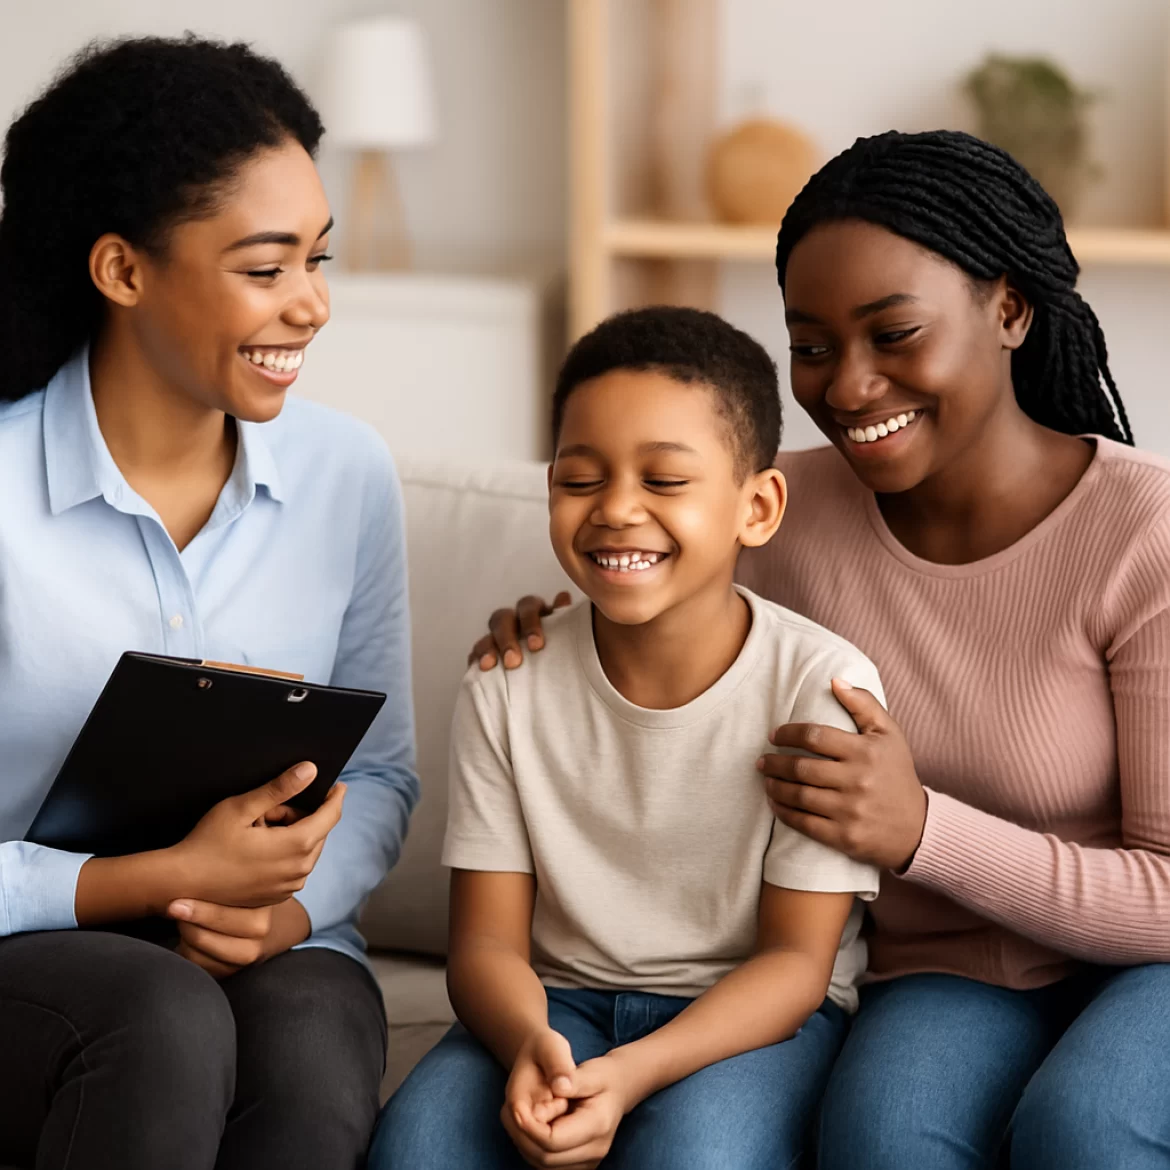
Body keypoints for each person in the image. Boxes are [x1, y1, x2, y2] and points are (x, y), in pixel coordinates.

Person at [471, 130, 1170, 1170]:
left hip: (1147, 961)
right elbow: (641, 548)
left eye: (894, 334)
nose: (848, 387)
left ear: (1010, 309)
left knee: (1086, 1125)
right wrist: (552, 617)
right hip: (941, 972)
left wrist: (924, 830)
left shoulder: (1142, 532)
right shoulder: (776, 510)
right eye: (811, 345)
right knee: (879, 1137)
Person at [0, 36, 418, 1170]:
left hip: (270, 941)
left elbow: (381, 774)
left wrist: (281, 911)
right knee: (159, 1015)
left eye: (320, 259)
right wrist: (147, 883)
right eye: (266, 267)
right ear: (124, 272)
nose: (313, 306)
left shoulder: (348, 474)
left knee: (316, 1040)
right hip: (29, 949)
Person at [372, 306, 882, 1170]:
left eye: (664, 481)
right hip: (556, 1004)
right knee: (416, 1148)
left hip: (745, 1017)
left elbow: (798, 965)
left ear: (756, 507)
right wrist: (532, 1042)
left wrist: (633, 1073)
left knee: (693, 1158)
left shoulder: (820, 687)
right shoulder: (508, 680)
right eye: (579, 479)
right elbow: (486, 946)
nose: (614, 510)